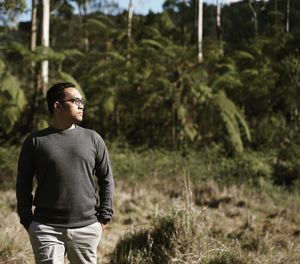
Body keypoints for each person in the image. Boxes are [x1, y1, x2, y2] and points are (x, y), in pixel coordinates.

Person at [16, 82, 114, 264]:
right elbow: (23, 182)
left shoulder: (93, 139)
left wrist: (103, 219)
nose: (81, 105)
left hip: (87, 227)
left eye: (82, 101)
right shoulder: (35, 141)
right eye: (75, 100)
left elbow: (106, 179)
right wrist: (28, 220)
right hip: (46, 229)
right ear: (57, 105)